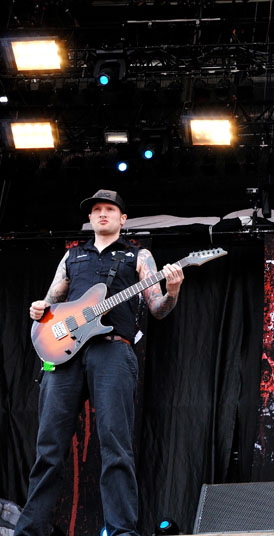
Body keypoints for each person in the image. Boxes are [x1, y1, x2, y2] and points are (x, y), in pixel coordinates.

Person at [16, 189, 185, 536]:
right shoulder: (72, 257)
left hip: (112, 352)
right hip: (64, 356)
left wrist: (173, 291)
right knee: (48, 447)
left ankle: (122, 532)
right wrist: (38, 309)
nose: (102, 214)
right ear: (90, 218)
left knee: (116, 445)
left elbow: (157, 309)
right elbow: (48, 305)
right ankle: (30, 530)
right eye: (97, 210)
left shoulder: (139, 256)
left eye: (110, 209)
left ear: (123, 219)